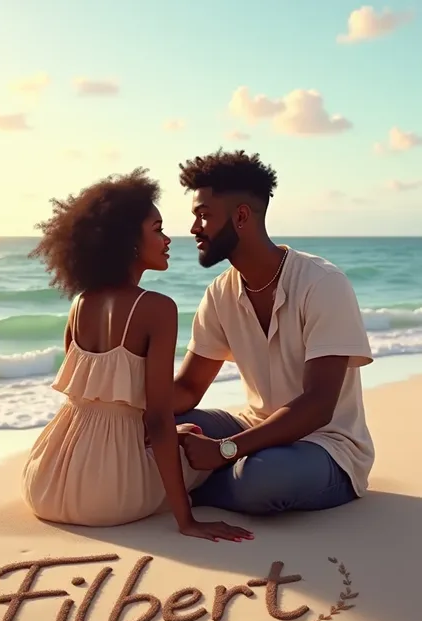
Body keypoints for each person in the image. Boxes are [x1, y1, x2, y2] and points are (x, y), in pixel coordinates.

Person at [21, 168, 253, 543]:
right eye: (158, 229)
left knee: (187, 431)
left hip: (46, 480)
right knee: (203, 447)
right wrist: (187, 521)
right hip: (107, 498)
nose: (167, 240)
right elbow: (158, 420)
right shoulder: (156, 308)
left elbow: (97, 403)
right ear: (129, 240)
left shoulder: (80, 303)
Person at [173, 149, 375, 516]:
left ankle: (189, 486)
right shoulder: (220, 292)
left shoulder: (322, 283)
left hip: (326, 446)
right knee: (165, 428)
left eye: (204, 215)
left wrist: (224, 450)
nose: (194, 228)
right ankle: (200, 477)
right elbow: (187, 389)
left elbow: (317, 406)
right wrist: (124, 404)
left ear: (241, 216)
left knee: (264, 479)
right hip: (255, 429)